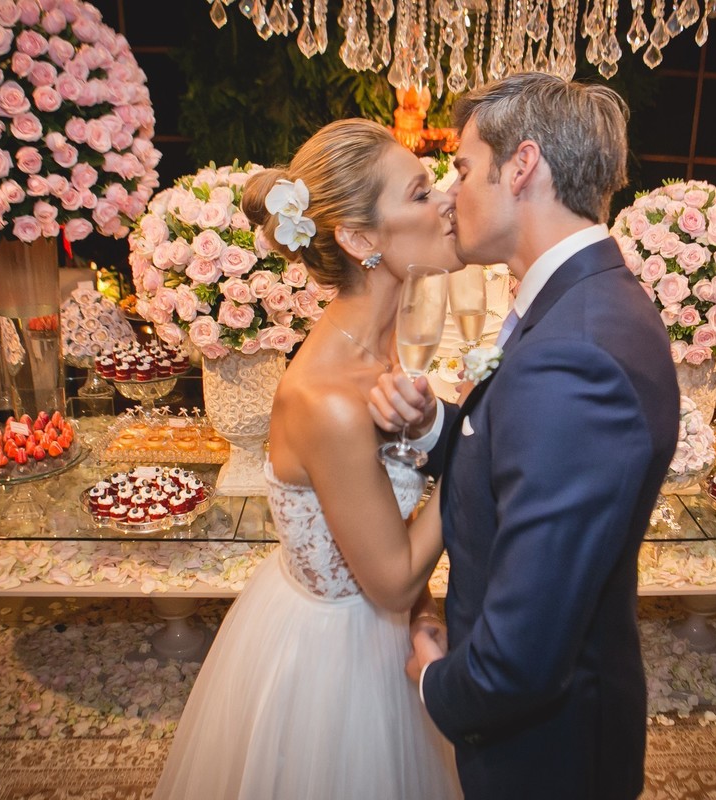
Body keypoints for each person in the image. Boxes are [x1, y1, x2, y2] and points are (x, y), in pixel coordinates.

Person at [369, 73, 680, 799]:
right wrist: (435, 424)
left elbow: (524, 656)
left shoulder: (576, 350)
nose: (451, 194)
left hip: (546, 757)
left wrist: (435, 681)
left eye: (463, 167)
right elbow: (522, 453)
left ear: (522, 166)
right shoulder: (582, 301)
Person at [155, 118, 462, 799]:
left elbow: (386, 522)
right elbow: (389, 578)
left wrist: (424, 615)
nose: (447, 200)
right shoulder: (329, 399)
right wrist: (479, 448)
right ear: (360, 241)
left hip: (384, 633)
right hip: (335, 657)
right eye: (420, 192)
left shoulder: (381, 350)